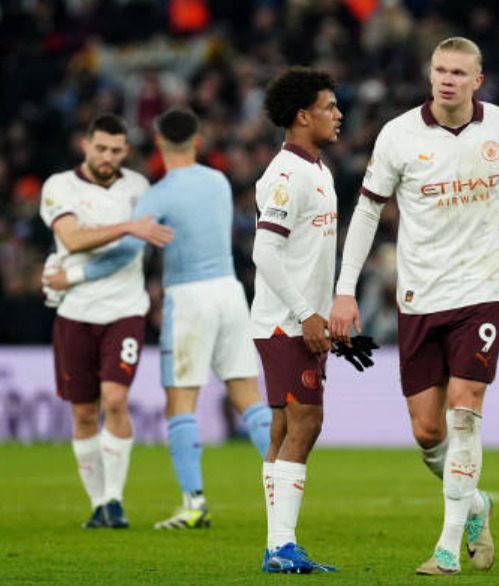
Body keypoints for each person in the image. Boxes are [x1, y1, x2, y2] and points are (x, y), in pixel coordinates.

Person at [329, 36, 499, 575]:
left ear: (478, 80)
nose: (447, 80)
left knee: (464, 411)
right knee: (429, 432)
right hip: (419, 295)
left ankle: (448, 549)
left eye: (458, 72)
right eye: (440, 70)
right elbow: (367, 212)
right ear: (430, 75)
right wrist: (344, 288)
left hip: (481, 290)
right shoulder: (398, 135)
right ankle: (476, 505)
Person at [56, 108, 273, 530]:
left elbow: (126, 252)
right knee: (248, 397)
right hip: (230, 293)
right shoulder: (219, 181)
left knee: (180, 402)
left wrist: (74, 275)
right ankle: (284, 487)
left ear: (158, 143)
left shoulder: (158, 195)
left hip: (189, 297)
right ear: (197, 141)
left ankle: (193, 505)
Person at [40, 113, 174, 528]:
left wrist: (128, 234)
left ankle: (115, 500)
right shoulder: (59, 186)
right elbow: (72, 238)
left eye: (116, 150)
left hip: (124, 310)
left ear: (126, 151)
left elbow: (134, 250)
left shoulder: (139, 187)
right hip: (75, 312)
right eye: (100, 148)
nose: (107, 157)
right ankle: (98, 504)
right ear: (85, 145)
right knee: (83, 412)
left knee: (115, 399)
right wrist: (128, 226)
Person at [250, 67, 342, 574]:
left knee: (286, 426)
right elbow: (264, 251)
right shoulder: (287, 175)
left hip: (294, 320)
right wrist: (307, 314)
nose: (338, 114)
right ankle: (282, 546)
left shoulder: (318, 169)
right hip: (285, 323)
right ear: (303, 116)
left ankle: (277, 546)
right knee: (306, 422)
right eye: (330, 106)